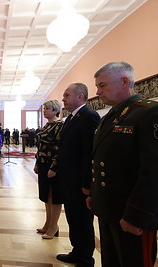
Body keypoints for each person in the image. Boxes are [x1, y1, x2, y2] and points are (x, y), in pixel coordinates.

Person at [87, 62, 158, 267]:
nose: (97, 92)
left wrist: (136, 216)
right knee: (112, 261)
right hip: (108, 209)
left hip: (131, 214)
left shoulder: (151, 113)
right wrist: (94, 195)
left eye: (102, 85)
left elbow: (156, 172)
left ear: (124, 81)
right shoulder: (111, 117)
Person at [56, 83, 100, 266]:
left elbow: (89, 152)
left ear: (80, 97)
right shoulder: (72, 118)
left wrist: (87, 184)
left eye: (67, 95)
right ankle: (77, 251)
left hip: (80, 182)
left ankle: (85, 258)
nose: (63, 99)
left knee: (82, 220)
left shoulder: (89, 117)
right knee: (73, 218)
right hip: (69, 180)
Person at [33, 100, 64, 239]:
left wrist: (54, 167)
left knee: (54, 196)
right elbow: (40, 147)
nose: (44, 110)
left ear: (55, 110)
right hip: (43, 163)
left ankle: (54, 226)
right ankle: (48, 223)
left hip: (53, 165)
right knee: (46, 195)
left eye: (48, 108)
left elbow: (59, 148)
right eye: (44, 108)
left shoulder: (59, 125)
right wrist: (37, 163)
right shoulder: (47, 125)